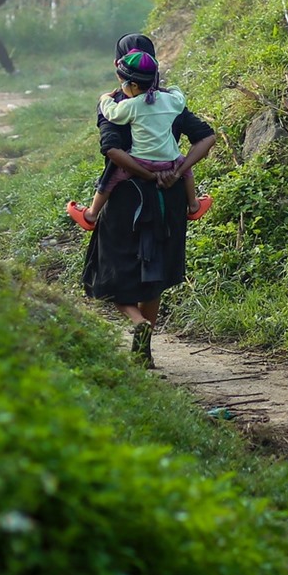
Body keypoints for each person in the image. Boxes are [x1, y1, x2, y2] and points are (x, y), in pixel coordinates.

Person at [78, 32, 220, 368]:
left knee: (108, 270)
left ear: (118, 68)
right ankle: (145, 353)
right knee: (153, 274)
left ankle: (137, 324)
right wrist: (178, 169)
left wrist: (143, 173)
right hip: (169, 198)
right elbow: (205, 136)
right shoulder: (171, 100)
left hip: (128, 198)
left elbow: (111, 148)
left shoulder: (114, 104)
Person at [65, 48, 210, 229]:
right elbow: (180, 98)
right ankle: (194, 205)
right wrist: (173, 89)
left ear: (133, 86)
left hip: (140, 162)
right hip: (170, 161)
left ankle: (91, 214)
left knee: (110, 178)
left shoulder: (131, 105)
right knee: (187, 172)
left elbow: (112, 113)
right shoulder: (171, 100)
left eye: (122, 83)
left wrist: (105, 99)